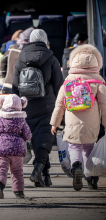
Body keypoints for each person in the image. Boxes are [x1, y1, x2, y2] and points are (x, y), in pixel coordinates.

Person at [51, 44, 106, 191]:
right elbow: (104, 104)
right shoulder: (98, 80)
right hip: (92, 122)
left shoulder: (68, 80)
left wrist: (54, 124)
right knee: (89, 147)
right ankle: (91, 179)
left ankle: (76, 167)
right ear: (96, 62)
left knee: (74, 145)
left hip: (72, 120)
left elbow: (59, 104)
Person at [12, 29, 63, 187]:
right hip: (46, 105)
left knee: (36, 139)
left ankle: (45, 175)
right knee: (44, 140)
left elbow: (15, 85)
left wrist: (18, 105)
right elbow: (59, 86)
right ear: (45, 41)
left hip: (27, 106)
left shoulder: (21, 57)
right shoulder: (51, 58)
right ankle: (37, 170)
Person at [0, 94, 32, 199]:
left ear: (3, 104)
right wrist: (23, 141)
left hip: (2, 150)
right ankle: (19, 191)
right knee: (17, 171)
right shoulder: (21, 120)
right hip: (17, 150)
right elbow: (27, 135)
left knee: (0, 169)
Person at [0, 27, 34, 94]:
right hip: (24, 88)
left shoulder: (12, 48)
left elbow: (2, 61)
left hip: (8, 84)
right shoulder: (32, 51)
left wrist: (2, 77)